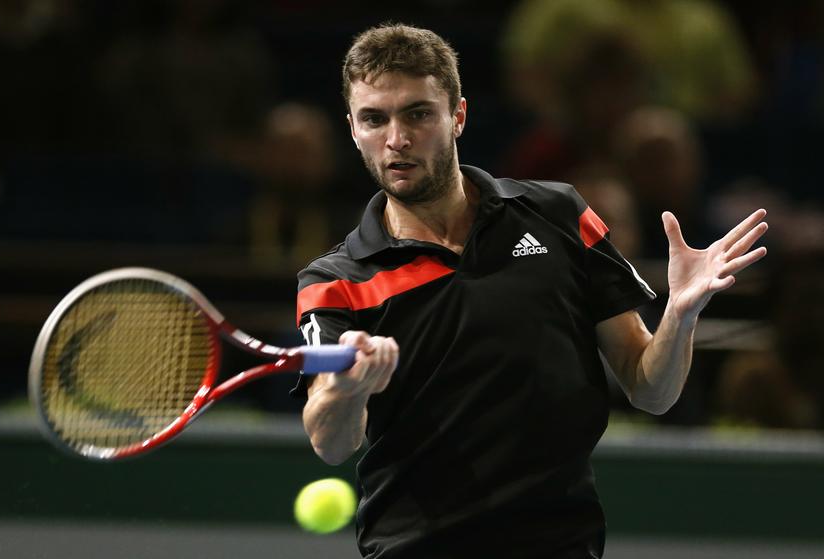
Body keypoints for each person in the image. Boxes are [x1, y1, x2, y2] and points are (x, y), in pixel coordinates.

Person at [292, 24, 768, 558]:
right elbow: (330, 442)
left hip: (562, 544)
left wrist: (679, 314)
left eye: (418, 113)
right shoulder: (334, 282)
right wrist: (351, 388)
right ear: (353, 130)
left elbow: (650, 389)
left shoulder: (558, 216)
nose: (396, 139)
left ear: (459, 116)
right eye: (374, 119)